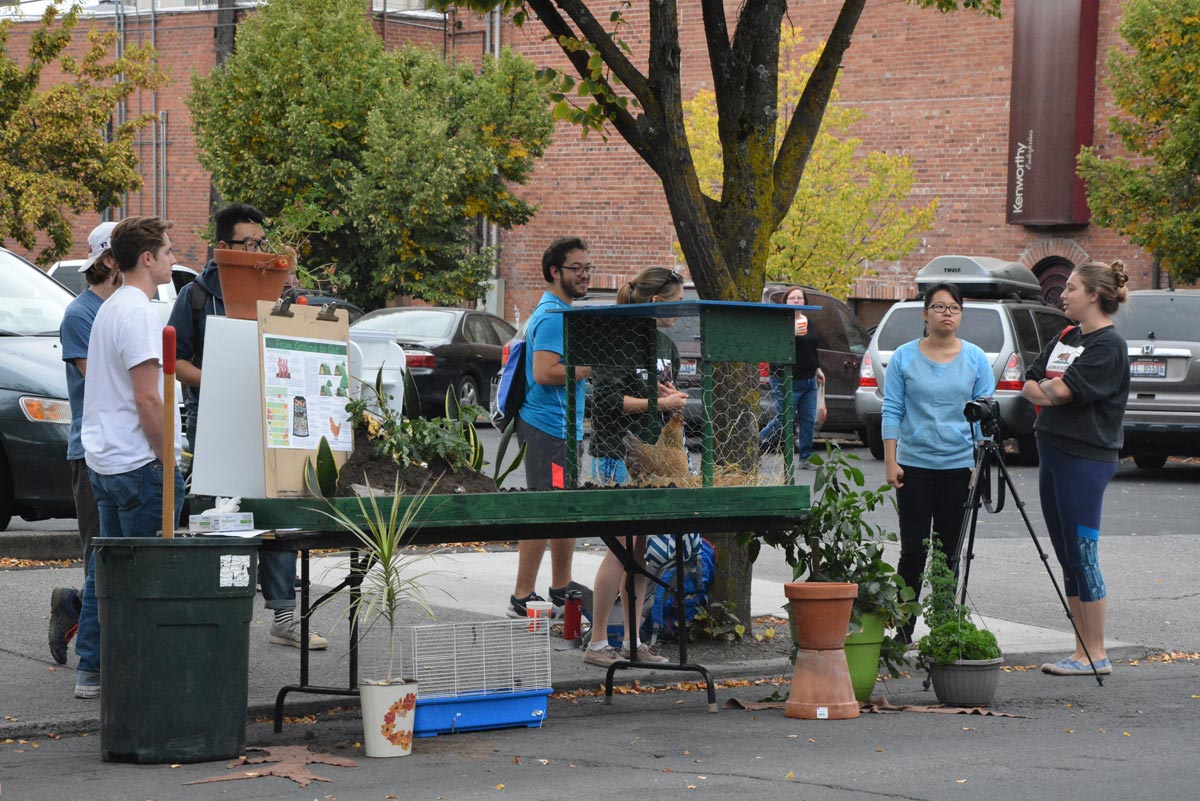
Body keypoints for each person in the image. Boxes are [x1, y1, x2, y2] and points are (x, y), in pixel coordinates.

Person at [168, 203, 327, 650]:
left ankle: (283, 616)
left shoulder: (274, 290)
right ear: (223, 248)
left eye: (262, 243)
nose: (257, 252)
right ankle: (217, 614)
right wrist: (221, 379)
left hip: (269, 419)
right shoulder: (196, 296)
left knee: (276, 511)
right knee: (219, 515)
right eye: (248, 244)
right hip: (213, 419)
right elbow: (176, 362)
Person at [73, 216, 185, 699]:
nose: (174, 259)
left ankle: (93, 669)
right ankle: (140, 674)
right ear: (147, 258)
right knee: (146, 576)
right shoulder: (138, 312)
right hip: (138, 463)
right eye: (168, 251)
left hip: (105, 459)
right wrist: (167, 460)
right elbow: (147, 398)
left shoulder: (110, 308)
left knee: (107, 572)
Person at [1022, 261, 1129, 677]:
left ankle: (1096, 653)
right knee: (1066, 553)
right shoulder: (1067, 335)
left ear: (1093, 296)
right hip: (1050, 448)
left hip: (1086, 457)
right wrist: (1049, 391)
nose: (1062, 294)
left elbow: (1062, 391)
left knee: (1083, 551)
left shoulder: (1108, 346)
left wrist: (1050, 391)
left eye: (1070, 288)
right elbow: (1032, 381)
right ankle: (1079, 649)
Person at [583, 267, 690, 667]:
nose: (682, 309)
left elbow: (659, 391)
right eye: (677, 301)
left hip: (650, 457)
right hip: (616, 453)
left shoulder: (666, 344)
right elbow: (606, 401)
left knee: (640, 550)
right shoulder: (616, 338)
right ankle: (596, 644)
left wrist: (670, 396)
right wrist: (659, 403)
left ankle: (632, 640)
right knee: (621, 547)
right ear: (657, 302)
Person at [881, 282, 994, 641]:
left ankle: (945, 627)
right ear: (925, 313)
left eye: (954, 308)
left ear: (961, 315)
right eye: (940, 306)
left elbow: (985, 415)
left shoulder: (976, 358)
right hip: (913, 466)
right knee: (913, 551)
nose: (947, 313)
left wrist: (980, 465)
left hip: (958, 468)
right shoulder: (904, 357)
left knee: (948, 553)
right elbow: (892, 409)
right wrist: (890, 459)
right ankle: (903, 629)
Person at [506, 237, 594, 619]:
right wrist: (593, 365)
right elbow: (545, 373)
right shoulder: (554, 316)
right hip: (548, 429)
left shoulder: (559, 312)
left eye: (588, 268)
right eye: (577, 268)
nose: (585, 275)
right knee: (544, 507)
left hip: (561, 429)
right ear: (555, 272)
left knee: (563, 509)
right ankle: (521, 596)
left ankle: (561, 587)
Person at [48, 222, 123, 666]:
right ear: (109, 260)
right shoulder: (80, 315)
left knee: (119, 555)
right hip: (91, 453)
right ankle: (91, 648)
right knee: (101, 556)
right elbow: (101, 381)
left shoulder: (126, 308)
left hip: (124, 452)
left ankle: (77, 606)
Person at [758, 286, 826, 464]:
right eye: (792, 298)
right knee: (784, 419)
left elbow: (812, 348)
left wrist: (818, 369)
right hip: (786, 380)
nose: (796, 301)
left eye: (799, 298)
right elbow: (772, 349)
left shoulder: (807, 321)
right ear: (785, 301)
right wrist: (790, 334)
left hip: (809, 380)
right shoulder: (780, 323)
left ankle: (806, 457)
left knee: (808, 420)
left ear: (805, 301)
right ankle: (755, 444)